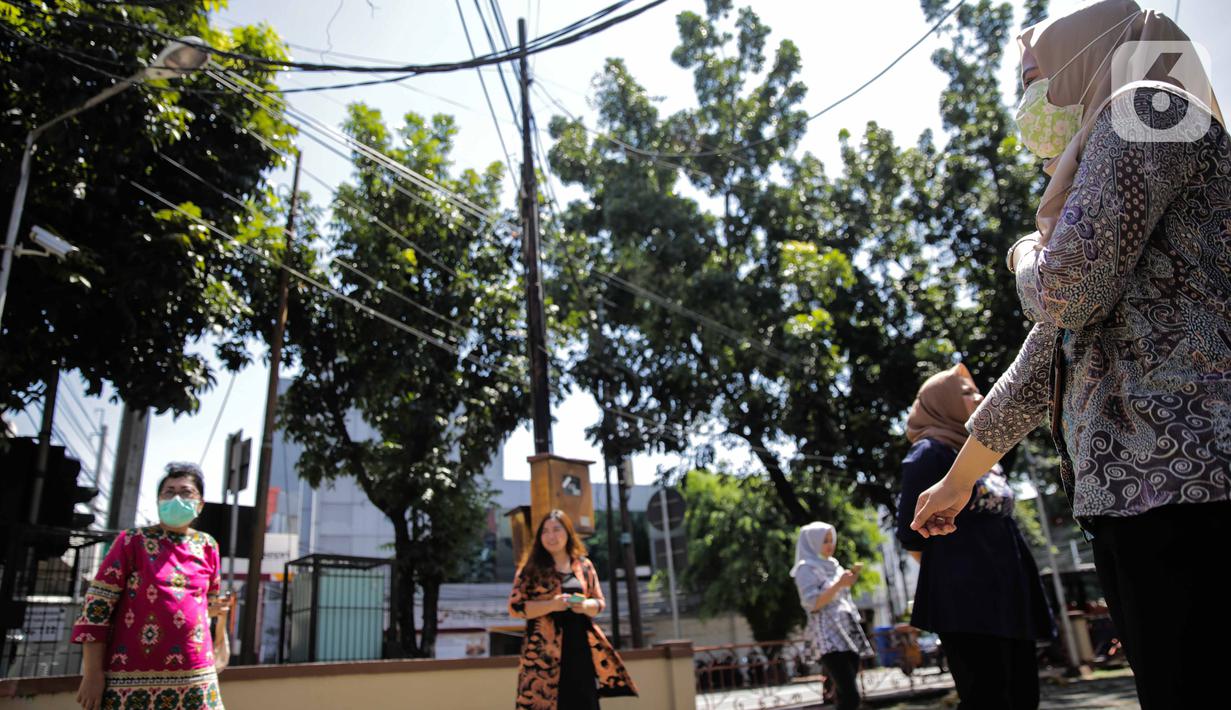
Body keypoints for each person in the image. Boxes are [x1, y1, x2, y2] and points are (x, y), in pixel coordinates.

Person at [909, 1, 1230, 707]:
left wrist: (1027, 254)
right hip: (1141, 493)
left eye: (1034, 77)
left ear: (1084, 56)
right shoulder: (1109, 148)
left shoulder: (1149, 110)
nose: (1028, 100)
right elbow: (1045, 361)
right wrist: (957, 482)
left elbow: (1066, 292)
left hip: (1190, 483)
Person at [896, 364, 1053, 709]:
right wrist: (956, 577)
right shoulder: (930, 453)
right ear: (943, 402)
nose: (980, 397)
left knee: (1024, 697)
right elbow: (911, 533)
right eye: (967, 392)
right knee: (987, 698)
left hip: (1009, 594)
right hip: (968, 602)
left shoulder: (983, 456)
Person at [72, 462, 232, 710]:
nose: (177, 498)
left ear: (200, 505)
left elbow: (204, 605)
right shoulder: (132, 541)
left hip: (197, 682)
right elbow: (97, 607)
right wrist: (92, 674)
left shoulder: (208, 545)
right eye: (169, 492)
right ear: (158, 501)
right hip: (129, 684)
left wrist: (217, 610)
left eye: (186, 492)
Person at [507, 509, 636, 710]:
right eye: (545, 531)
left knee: (584, 702)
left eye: (556, 529)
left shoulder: (584, 565)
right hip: (542, 657)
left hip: (580, 648)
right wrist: (551, 605)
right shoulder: (530, 569)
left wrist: (584, 606)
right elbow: (516, 608)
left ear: (568, 532)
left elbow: (599, 604)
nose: (551, 536)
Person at [791, 522, 873, 710]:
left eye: (831, 540)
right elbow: (813, 603)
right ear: (812, 542)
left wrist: (846, 582)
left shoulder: (835, 566)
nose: (830, 545)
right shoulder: (805, 569)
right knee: (851, 696)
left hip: (848, 632)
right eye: (824, 541)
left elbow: (842, 597)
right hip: (828, 636)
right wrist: (839, 584)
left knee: (845, 696)